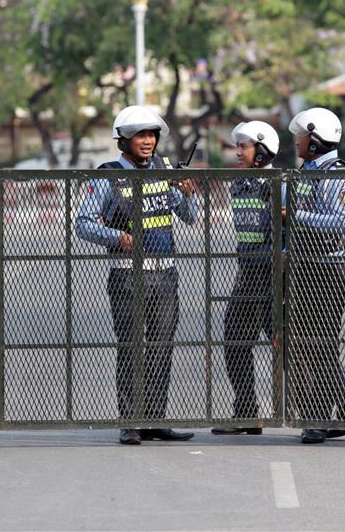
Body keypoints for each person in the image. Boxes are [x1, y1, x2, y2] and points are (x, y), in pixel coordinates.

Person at [75, 105, 199, 445]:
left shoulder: (163, 168)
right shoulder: (108, 175)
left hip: (166, 273)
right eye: (140, 135)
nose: (147, 141)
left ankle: (155, 420)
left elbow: (188, 216)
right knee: (131, 348)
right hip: (127, 275)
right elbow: (83, 224)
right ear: (123, 140)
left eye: (151, 135)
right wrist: (117, 238)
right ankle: (131, 421)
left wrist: (189, 195)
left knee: (162, 347)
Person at [288, 107, 345, 444]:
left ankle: (320, 419)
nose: (297, 142)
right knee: (311, 340)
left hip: (332, 266)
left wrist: (296, 214)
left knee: (321, 339)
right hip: (309, 263)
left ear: (315, 139)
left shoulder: (337, 174)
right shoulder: (307, 171)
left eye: (302, 137)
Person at [211, 121, 283, 436]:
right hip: (248, 273)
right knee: (235, 341)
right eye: (237, 146)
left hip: (273, 273)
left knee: (289, 346)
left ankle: (322, 410)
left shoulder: (278, 184)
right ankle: (246, 413)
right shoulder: (239, 183)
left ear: (262, 149)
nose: (237, 152)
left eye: (244, 146)